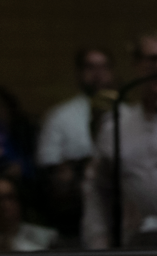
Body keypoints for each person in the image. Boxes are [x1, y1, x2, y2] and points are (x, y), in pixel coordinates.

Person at [81, 32, 157, 249]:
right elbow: (98, 191)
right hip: (137, 243)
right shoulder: (116, 126)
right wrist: (98, 242)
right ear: (137, 64)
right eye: (152, 59)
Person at [35, 48, 115, 241]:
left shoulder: (127, 113)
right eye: (90, 67)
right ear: (79, 72)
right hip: (75, 206)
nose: (97, 74)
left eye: (103, 67)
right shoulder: (60, 116)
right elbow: (47, 163)